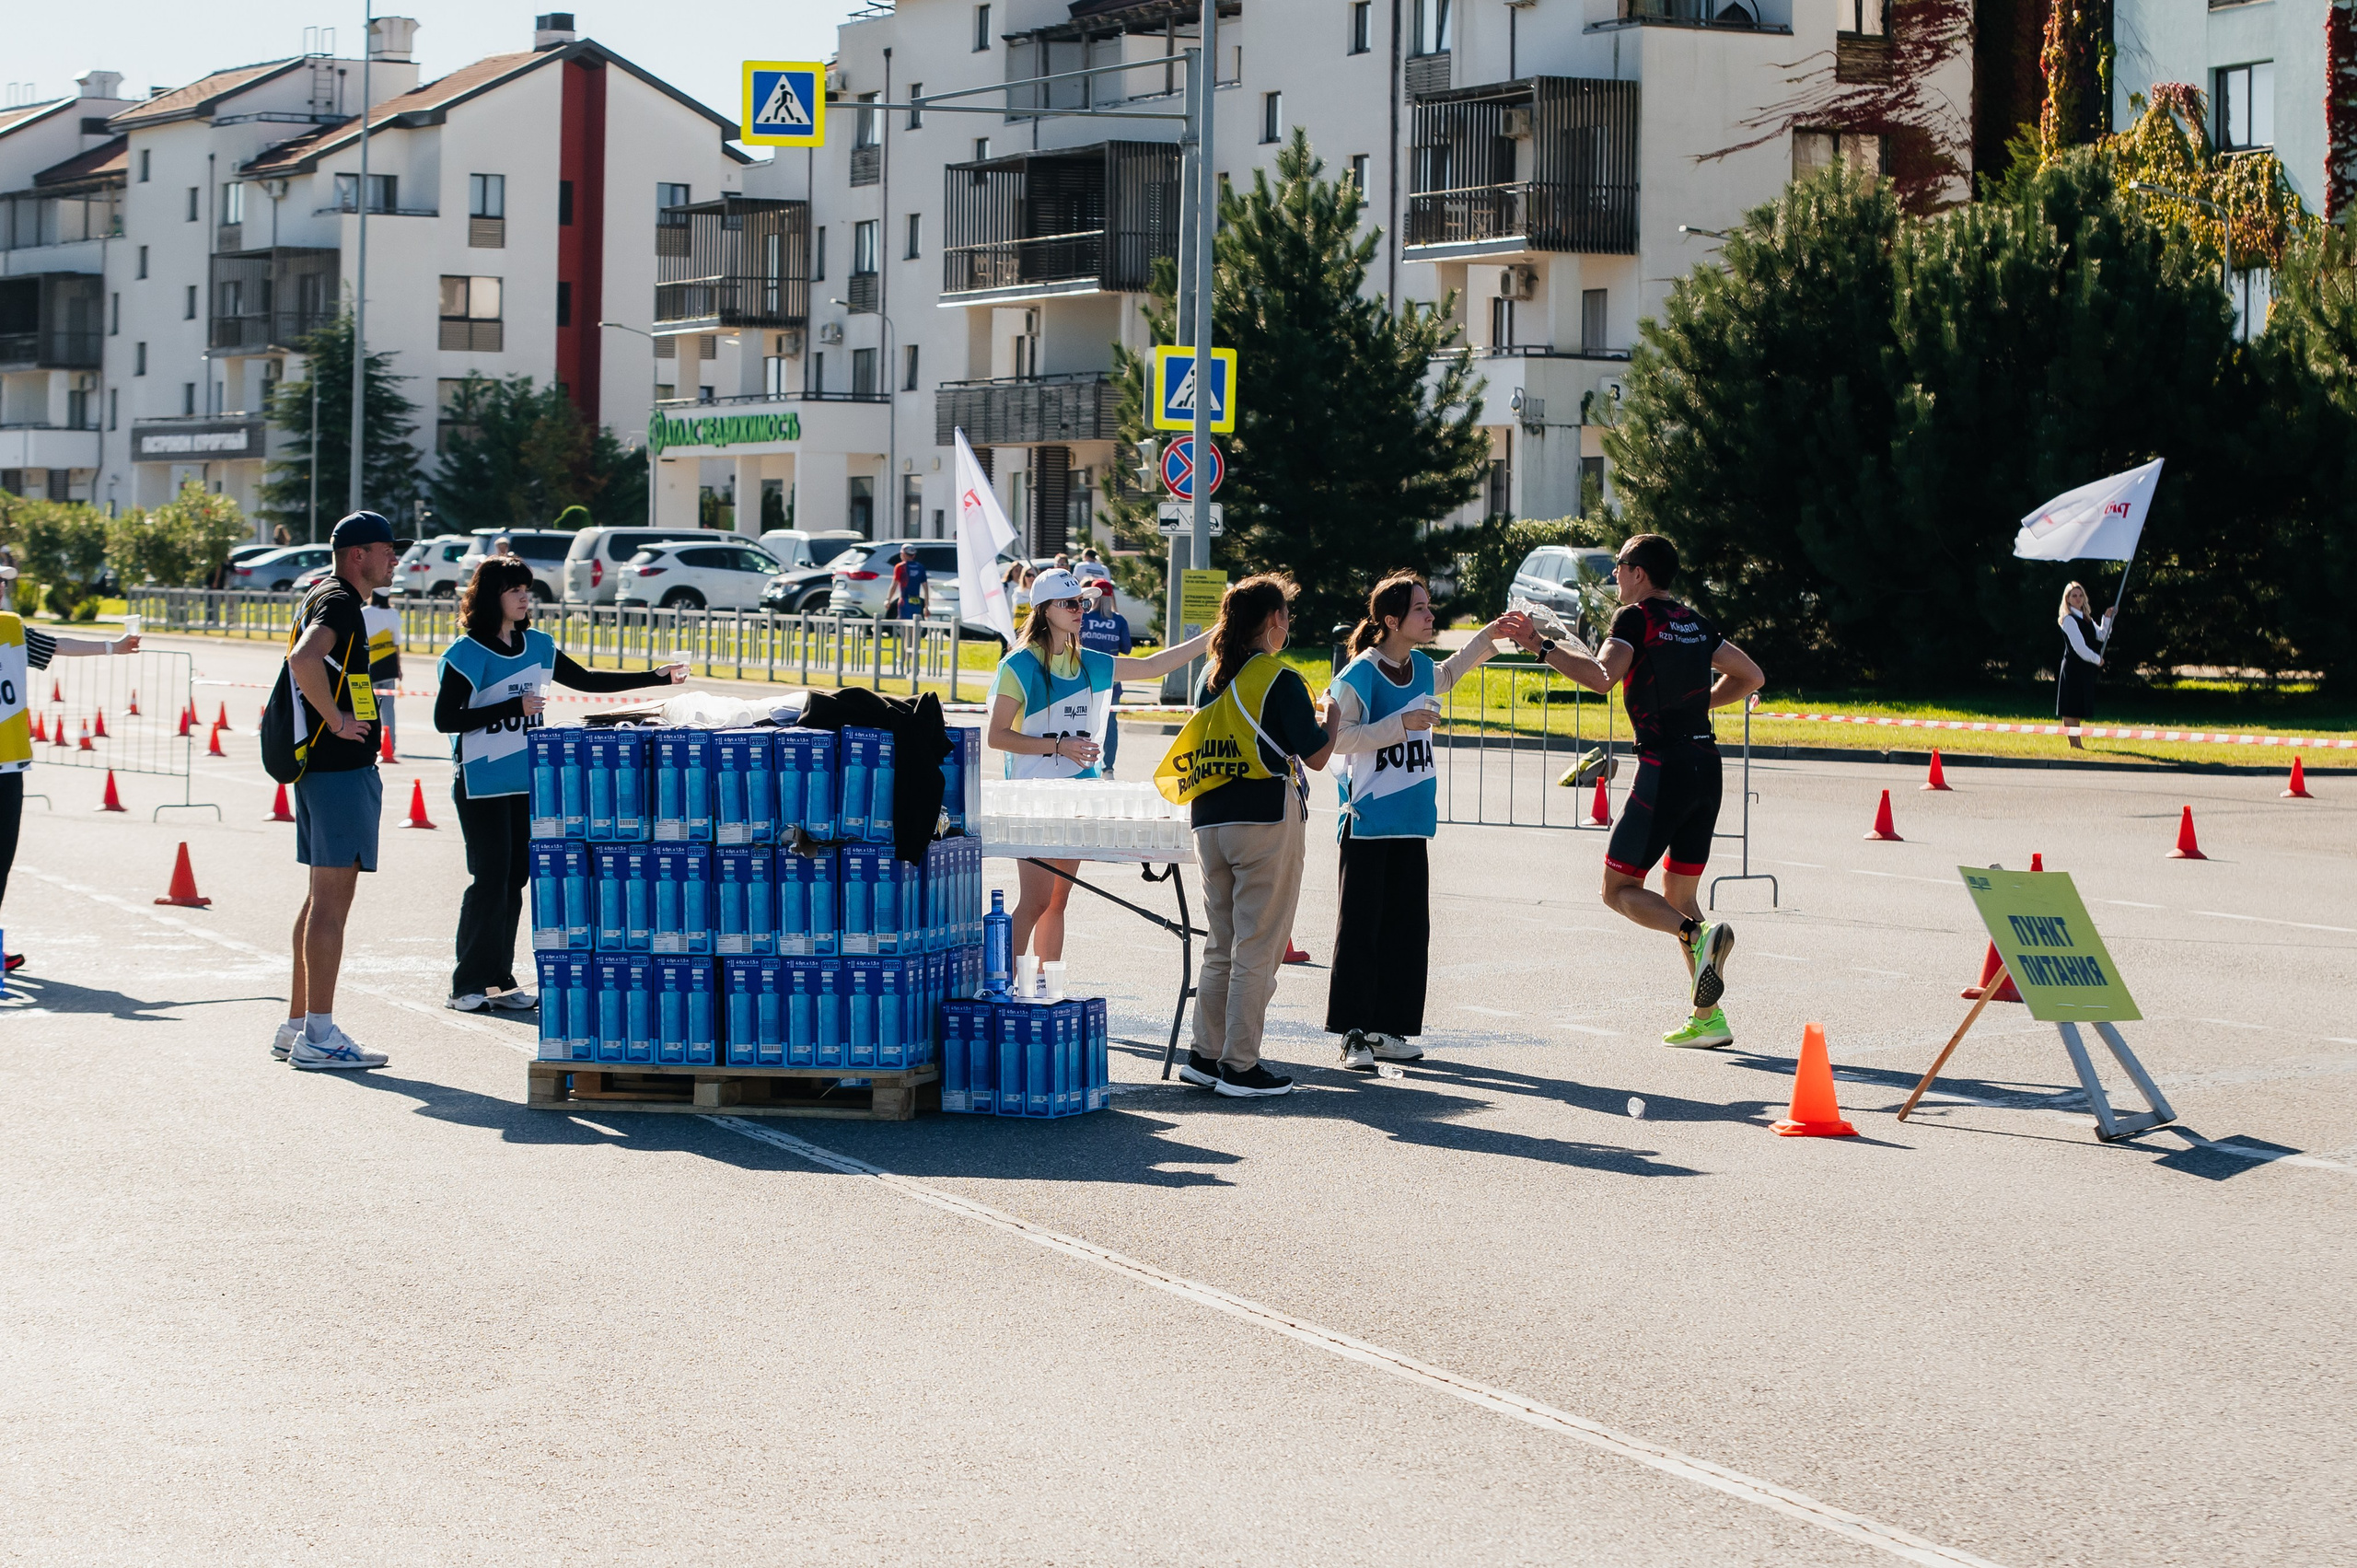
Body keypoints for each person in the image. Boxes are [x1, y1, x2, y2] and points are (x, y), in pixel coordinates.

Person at [1510, 534, 1763, 1050]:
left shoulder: (1636, 619)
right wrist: (1696, 708)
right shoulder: (1693, 620)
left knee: (1617, 890)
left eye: (1620, 567)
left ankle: (1695, 936)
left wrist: (1540, 645)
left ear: (1640, 573)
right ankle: (1708, 1018)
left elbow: (1604, 678)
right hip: (1704, 764)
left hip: (1663, 765)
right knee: (1681, 895)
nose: (1615, 576)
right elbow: (1752, 676)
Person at [435, 556, 685, 1011]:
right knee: (489, 879)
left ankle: (498, 981)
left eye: (526, 589)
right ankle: (466, 984)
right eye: (515, 590)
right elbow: (445, 719)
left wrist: (655, 677)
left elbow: (586, 679)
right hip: (481, 781)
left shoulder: (539, 644)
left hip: (525, 780)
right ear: (492, 596)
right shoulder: (466, 654)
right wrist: (511, 708)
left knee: (516, 877)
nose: (524, 597)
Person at [1323, 573, 1528, 1072]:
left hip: (1412, 820)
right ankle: (1353, 1035)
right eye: (1420, 609)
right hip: (1369, 820)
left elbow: (1454, 671)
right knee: (1361, 931)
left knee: (1408, 929)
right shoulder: (1360, 673)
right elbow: (1335, 740)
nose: (1430, 615)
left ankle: (1389, 1030)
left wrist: (1492, 634)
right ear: (1391, 619)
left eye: (1429, 607)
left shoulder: (1418, 667)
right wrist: (1399, 726)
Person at [1158, 574, 1334, 1099]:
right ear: (1274, 621)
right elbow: (1318, 755)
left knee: (1221, 945)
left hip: (1209, 817)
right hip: (1264, 818)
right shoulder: (1280, 678)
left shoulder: (1210, 675)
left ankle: (1204, 1056)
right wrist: (1337, 717)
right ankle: (1240, 1066)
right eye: (1286, 616)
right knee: (1258, 947)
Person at [984, 567, 1210, 966]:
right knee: (1034, 901)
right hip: (1032, 798)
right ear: (1044, 610)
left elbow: (1154, 666)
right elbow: (997, 735)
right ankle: (1001, 988)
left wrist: (1212, 637)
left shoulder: (1087, 660)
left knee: (1058, 901)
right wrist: (1058, 746)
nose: (1081, 610)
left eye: (1083, 603)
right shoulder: (1018, 665)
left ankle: (1045, 987)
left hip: (1077, 794)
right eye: (1070, 603)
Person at [274, 510, 410, 1071]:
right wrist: (335, 719)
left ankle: (297, 1024)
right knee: (332, 905)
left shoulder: (323, 594)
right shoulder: (340, 603)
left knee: (316, 900)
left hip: (321, 772)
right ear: (359, 554)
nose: (395, 559)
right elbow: (304, 659)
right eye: (387, 550)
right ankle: (319, 1036)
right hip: (339, 771)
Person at [0, 567, 140, 973]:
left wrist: (113, 648)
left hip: (9, 764)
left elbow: (56, 645)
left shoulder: (10, 628)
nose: (4, 587)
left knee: (2, 859)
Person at [1075, 586, 1132, 775]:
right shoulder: (1118, 621)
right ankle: (1108, 768)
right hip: (1111, 680)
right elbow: (1127, 649)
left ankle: (1082, 763)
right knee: (1110, 726)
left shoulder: (1085, 618)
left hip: (1083, 679)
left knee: (1080, 722)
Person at [2056, 581, 2113, 749]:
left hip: (2084, 669)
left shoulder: (2086, 618)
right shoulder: (2068, 620)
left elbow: (2102, 636)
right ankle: (2074, 745)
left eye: (2080, 595)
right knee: (2070, 708)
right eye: (2074, 596)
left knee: (2078, 707)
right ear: (2067, 599)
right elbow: (2079, 647)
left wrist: (2108, 617)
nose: (2078, 599)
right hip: (2073, 668)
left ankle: (2079, 744)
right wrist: (2097, 659)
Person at [364, 587, 402, 758]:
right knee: (388, 709)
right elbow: (396, 644)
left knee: (366, 708)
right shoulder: (393, 614)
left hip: (370, 664)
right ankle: (390, 744)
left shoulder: (365, 612)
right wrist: (399, 667)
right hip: (389, 665)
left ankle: (368, 742)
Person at [887, 542, 929, 623]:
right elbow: (925, 588)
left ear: (902, 554)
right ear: (913, 555)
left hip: (904, 600)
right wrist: (926, 606)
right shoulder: (920, 567)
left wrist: (888, 600)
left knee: (905, 625)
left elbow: (894, 585)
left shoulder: (900, 567)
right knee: (915, 624)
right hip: (917, 600)